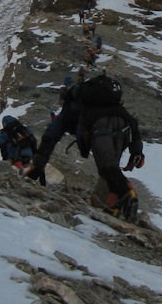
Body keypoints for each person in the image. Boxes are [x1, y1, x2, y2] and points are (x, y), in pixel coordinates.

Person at [26, 74, 144, 221]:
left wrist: (38, 164)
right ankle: (114, 208)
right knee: (111, 170)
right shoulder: (109, 102)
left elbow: (51, 134)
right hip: (123, 128)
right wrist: (137, 151)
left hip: (101, 127)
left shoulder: (72, 106)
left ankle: (128, 194)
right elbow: (132, 121)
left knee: (107, 169)